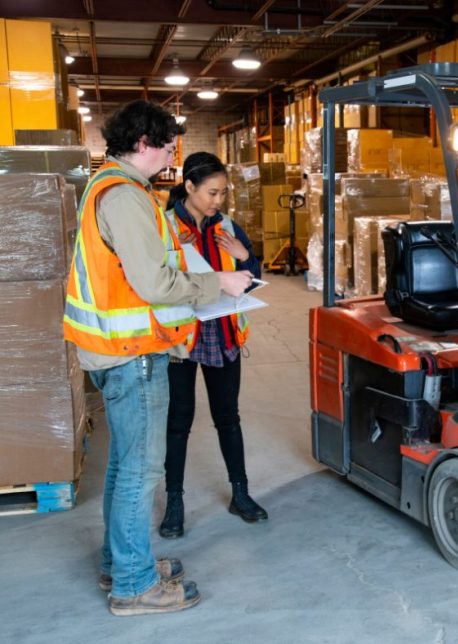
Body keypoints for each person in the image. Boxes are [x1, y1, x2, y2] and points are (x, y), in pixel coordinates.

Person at [62, 101, 253, 616]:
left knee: (125, 465)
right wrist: (220, 282)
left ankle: (120, 561)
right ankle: (134, 585)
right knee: (140, 472)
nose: (173, 154)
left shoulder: (115, 187)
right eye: (169, 145)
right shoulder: (123, 196)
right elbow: (153, 283)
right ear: (144, 143)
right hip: (132, 354)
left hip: (116, 351)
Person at [158, 152, 268, 540]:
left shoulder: (228, 226)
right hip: (182, 338)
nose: (217, 201)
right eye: (211, 192)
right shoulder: (165, 226)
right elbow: (154, 284)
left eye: (222, 193)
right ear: (189, 187)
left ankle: (240, 493)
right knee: (178, 423)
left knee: (228, 417)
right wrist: (175, 255)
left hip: (222, 334)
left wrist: (246, 257)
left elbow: (250, 279)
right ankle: (174, 503)